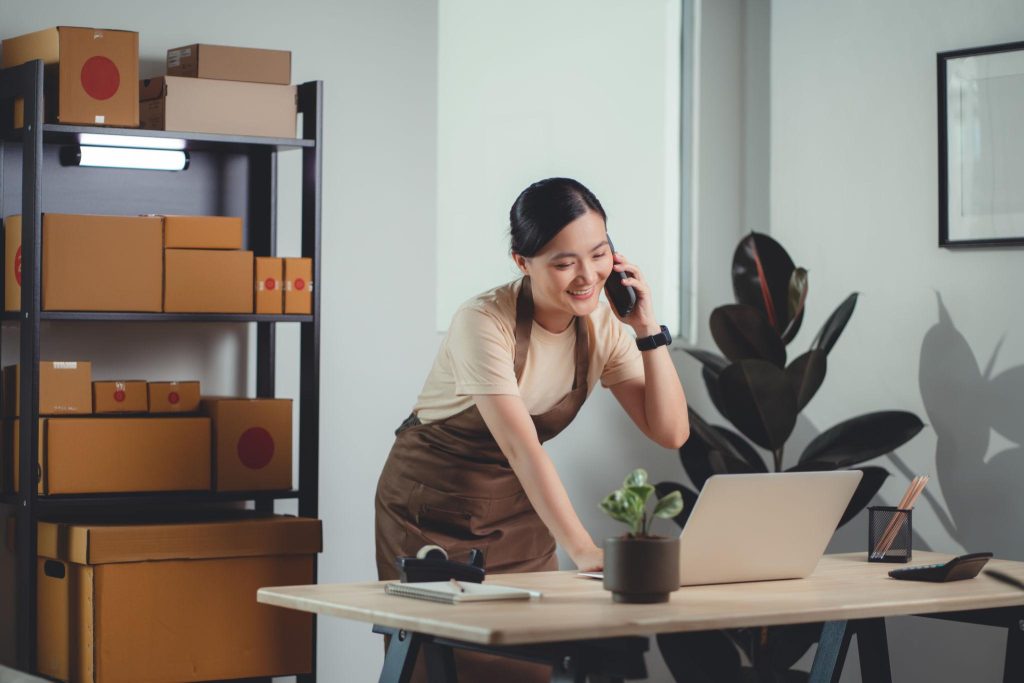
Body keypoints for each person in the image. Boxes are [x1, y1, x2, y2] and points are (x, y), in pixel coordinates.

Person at [374, 177, 689, 681]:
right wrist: (583, 550)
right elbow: (522, 449)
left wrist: (647, 330)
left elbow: (671, 432)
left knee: (532, 662)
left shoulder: (604, 327)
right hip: (431, 506)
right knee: (438, 664)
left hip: (519, 508)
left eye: (599, 254)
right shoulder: (483, 321)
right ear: (522, 262)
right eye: (564, 263)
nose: (587, 276)